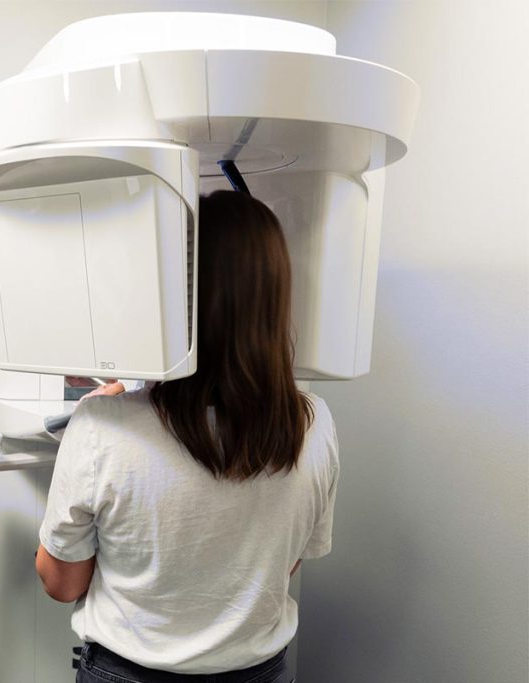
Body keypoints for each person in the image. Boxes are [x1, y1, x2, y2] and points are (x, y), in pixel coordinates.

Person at [36, 190, 340, 683]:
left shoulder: (102, 427)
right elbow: (281, 566)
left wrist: (97, 427)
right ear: (276, 296)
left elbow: (62, 582)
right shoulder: (315, 424)